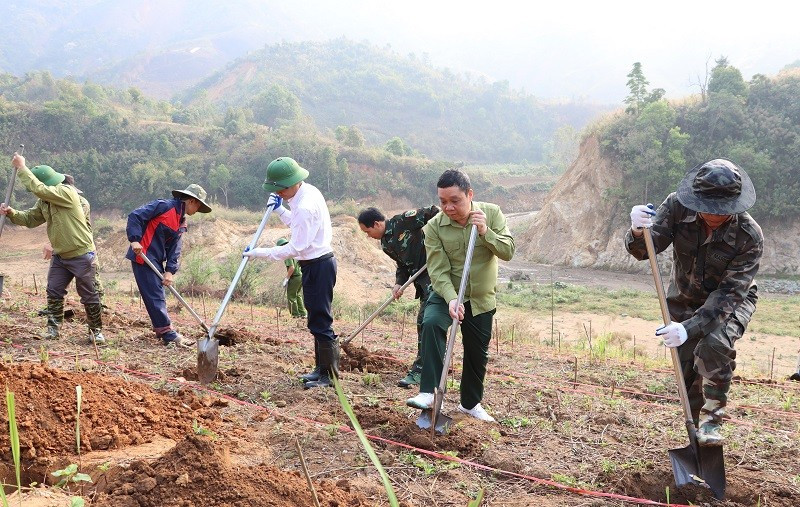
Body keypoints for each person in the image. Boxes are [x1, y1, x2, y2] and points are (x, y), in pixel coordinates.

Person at [626, 159, 762, 446]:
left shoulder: (749, 237)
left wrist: (689, 328)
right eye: (708, 207)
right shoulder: (676, 206)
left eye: (721, 210)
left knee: (714, 346)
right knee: (688, 371)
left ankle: (712, 423)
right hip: (685, 298)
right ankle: (695, 441)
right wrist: (639, 230)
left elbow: (728, 296)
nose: (713, 214)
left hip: (731, 302)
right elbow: (646, 251)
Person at [406, 169, 515, 422]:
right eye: (443, 201)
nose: (448, 207)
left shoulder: (492, 213)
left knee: (477, 352)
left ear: (470, 195)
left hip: (480, 297)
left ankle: (470, 404)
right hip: (447, 294)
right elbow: (438, 270)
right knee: (431, 323)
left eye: (455, 201)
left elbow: (508, 251)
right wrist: (452, 298)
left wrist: (486, 232)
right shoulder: (433, 228)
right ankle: (429, 392)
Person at [243, 157, 338, 389]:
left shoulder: (305, 205)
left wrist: (260, 252)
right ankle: (320, 369)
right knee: (315, 318)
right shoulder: (305, 192)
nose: (278, 193)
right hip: (313, 264)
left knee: (321, 320)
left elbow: (296, 247)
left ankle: (329, 376)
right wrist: (280, 210)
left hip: (318, 264)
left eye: (279, 190)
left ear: (288, 185)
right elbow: (296, 224)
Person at [0, 153, 105, 344]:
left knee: (89, 294)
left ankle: (95, 331)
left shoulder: (67, 193)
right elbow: (30, 219)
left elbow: (39, 189)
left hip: (81, 253)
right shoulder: (44, 202)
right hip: (61, 255)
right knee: (54, 291)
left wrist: (22, 168)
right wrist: (11, 213)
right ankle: (53, 329)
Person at [358, 204, 440, 387]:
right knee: (425, 324)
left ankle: (422, 371)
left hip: (436, 274)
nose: (367, 235)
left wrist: (442, 237)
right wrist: (398, 283)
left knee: (426, 322)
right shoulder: (386, 244)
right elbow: (402, 265)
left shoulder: (404, 221)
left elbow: (433, 212)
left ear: (377, 224)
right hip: (422, 281)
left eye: (367, 230)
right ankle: (429, 368)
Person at [125, 184, 211, 347]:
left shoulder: (181, 222)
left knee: (157, 294)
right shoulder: (164, 206)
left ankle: (164, 330)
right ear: (192, 201)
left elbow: (175, 250)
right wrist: (134, 239)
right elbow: (135, 216)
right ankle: (168, 334)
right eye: (198, 205)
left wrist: (170, 271)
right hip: (143, 255)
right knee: (155, 295)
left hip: (156, 260)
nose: (197, 210)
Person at [277, 237, 307, 318]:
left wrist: (286, 278)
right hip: (300, 276)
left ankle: (295, 314)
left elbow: (291, 268)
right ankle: (303, 313)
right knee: (297, 295)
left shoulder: (287, 255)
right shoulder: (293, 252)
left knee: (291, 296)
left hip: (295, 277)